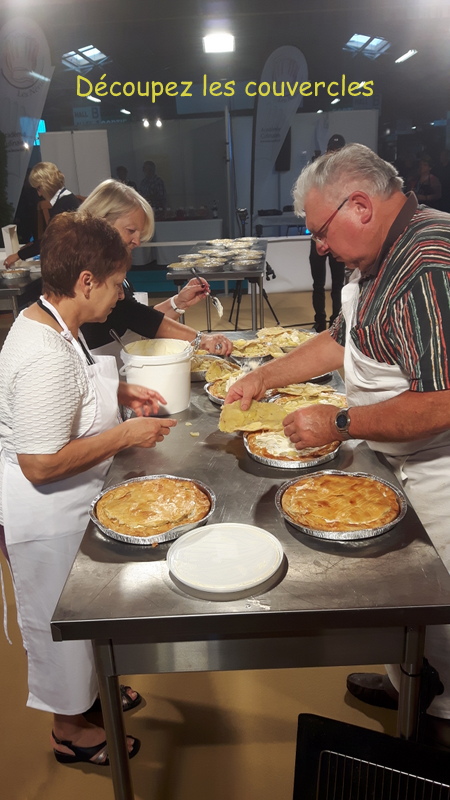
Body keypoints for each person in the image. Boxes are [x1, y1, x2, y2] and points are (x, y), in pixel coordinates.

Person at [225, 143, 450, 745]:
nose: (319, 248)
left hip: (442, 468)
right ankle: (412, 681)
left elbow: (443, 400)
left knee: (442, 601)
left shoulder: (427, 264)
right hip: (400, 460)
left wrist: (343, 423)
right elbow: (340, 339)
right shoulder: (378, 258)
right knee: (406, 599)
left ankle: (439, 718)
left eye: (320, 233)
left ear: (360, 206)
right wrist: (263, 375)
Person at [0, 212, 177, 765]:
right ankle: (69, 731)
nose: (119, 295)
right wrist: (125, 433)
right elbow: (39, 462)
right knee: (62, 631)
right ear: (85, 281)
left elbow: (75, 390)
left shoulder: (56, 323)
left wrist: (121, 392)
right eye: (117, 283)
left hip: (76, 504)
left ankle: (92, 694)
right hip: (47, 516)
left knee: (89, 620)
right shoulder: (42, 351)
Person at [78, 180, 232, 357]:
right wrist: (201, 340)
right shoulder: (91, 269)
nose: (137, 240)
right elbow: (137, 316)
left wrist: (178, 303)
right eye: (131, 230)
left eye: (139, 233)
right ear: (102, 221)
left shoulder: (111, 267)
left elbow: (136, 319)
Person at [3, 162, 80, 268]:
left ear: (47, 184)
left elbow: (48, 242)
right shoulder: (68, 199)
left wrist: (18, 255)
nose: (39, 194)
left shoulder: (61, 208)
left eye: (38, 188)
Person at [309, 134, 346, 331]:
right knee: (318, 283)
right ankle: (319, 321)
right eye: (333, 150)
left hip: (338, 236)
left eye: (339, 151)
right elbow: (309, 206)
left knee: (339, 283)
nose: (335, 155)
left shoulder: (347, 176)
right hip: (317, 234)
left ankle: (336, 322)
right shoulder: (316, 174)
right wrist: (316, 236)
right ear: (327, 151)